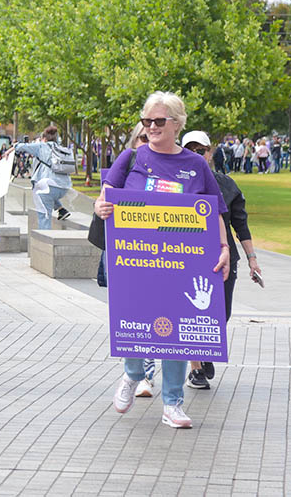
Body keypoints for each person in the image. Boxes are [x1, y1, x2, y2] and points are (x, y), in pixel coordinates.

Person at [97, 92, 229, 429]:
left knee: (177, 331)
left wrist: (224, 247)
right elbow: (106, 197)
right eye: (147, 121)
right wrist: (102, 207)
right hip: (136, 261)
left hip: (181, 262)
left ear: (177, 124)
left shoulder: (196, 165)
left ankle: (173, 403)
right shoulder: (131, 158)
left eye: (159, 121)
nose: (152, 127)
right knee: (135, 319)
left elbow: (214, 210)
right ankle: (132, 375)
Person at [181, 130, 263, 390]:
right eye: (190, 149)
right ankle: (195, 369)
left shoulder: (226, 185)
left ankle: (205, 350)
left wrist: (252, 260)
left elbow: (240, 224)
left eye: (201, 150)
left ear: (210, 152)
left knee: (221, 314)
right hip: (184, 260)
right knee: (190, 313)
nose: (196, 154)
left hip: (223, 260)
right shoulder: (173, 185)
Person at [13, 125, 73, 229]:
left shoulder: (41, 146)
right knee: (47, 192)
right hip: (64, 187)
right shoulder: (61, 148)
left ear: (44, 139)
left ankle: (44, 241)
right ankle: (60, 209)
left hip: (48, 186)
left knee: (44, 216)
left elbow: (19, 147)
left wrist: (15, 146)